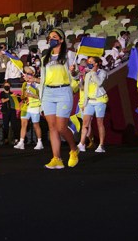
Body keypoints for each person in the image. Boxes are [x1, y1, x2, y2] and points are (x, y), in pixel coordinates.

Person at [24, 28, 79, 169]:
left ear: (61, 40)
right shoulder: (45, 58)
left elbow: (76, 76)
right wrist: (33, 79)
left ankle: (73, 149)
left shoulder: (69, 55)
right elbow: (43, 79)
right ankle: (57, 158)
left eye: (54, 37)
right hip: (48, 93)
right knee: (52, 127)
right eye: (50, 37)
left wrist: (74, 72)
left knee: (61, 127)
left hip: (63, 91)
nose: (51, 39)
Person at [77, 56, 108, 153]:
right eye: (88, 62)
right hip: (89, 101)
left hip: (100, 100)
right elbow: (84, 88)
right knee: (85, 123)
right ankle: (82, 144)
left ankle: (101, 145)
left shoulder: (102, 72)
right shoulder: (88, 74)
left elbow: (99, 83)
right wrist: (84, 103)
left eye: (91, 62)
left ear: (96, 63)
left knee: (99, 123)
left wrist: (93, 72)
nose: (88, 63)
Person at [14, 66, 44, 150]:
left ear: (33, 74)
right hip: (25, 106)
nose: (26, 75)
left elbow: (41, 96)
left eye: (28, 73)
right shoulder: (24, 84)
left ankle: (39, 142)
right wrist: (22, 96)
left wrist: (32, 95)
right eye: (25, 73)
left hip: (34, 106)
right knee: (23, 124)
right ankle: (21, 142)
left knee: (36, 125)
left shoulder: (37, 83)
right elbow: (23, 96)